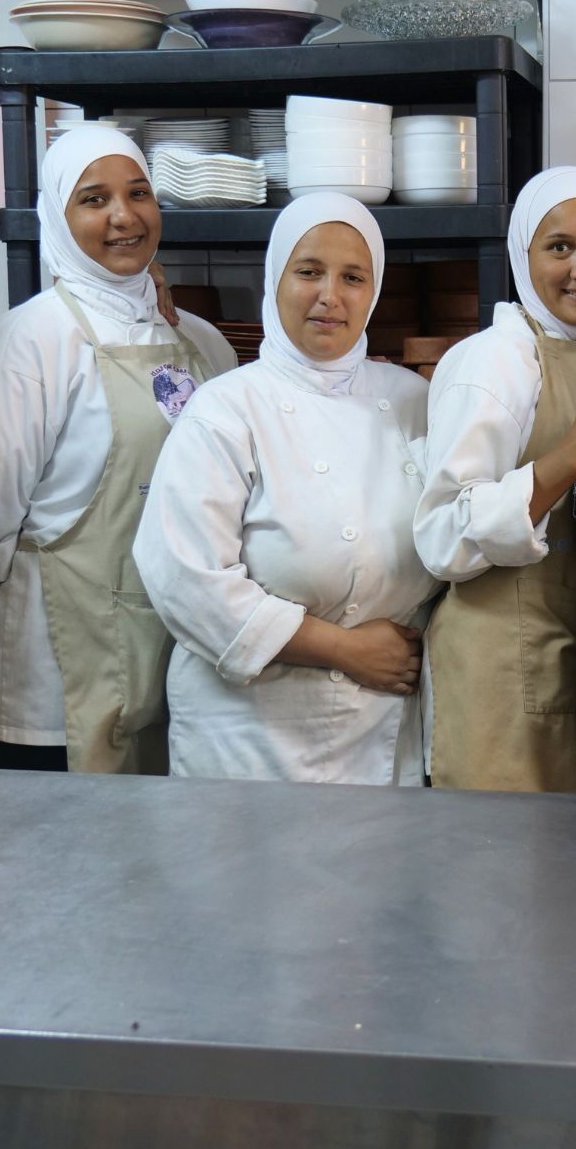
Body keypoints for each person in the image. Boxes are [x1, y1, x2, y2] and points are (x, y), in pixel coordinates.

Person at [132, 195, 440, 783]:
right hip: (250, 731)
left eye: (353, 277)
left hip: (383, 723)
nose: (331, 295)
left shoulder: (413, 402)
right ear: (275, 278)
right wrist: (346, 649)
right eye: (309, 272)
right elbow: (187, 581)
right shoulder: (225, 411)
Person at [0, 125, 235, 774]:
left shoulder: (204, 344)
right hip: (53, 683)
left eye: (138, 193)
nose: (123, 216)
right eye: (93, 199)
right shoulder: (30, 342)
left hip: (180, 664)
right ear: (58, 219)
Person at [415, 167, 576, 793]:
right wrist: (574, 452)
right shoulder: (494, 360)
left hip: (565, 663)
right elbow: (443, 535)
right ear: (522, 256)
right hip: (497, 673)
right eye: (560, 248)